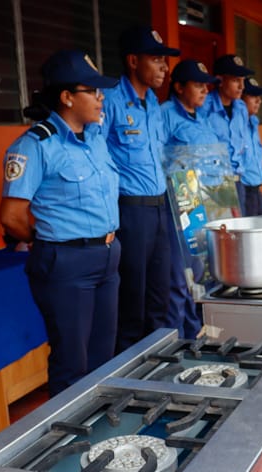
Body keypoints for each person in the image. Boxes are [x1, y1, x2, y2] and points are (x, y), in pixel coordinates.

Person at [0, 50, 121, 396]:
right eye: (92, 91)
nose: (101, 98)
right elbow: (11, 216)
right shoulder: (36, 145)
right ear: (67, 97)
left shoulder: (95, 139)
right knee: (72, 362)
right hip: (67, 263)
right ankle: (68, 429)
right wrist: (47, 240)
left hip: (108, 255)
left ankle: (100, 425)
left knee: (103, 357)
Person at [102, 26, 179, 353]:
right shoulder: (110, 101)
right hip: (130, 211)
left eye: (165, 61)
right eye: (156, 59)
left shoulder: (154, 105)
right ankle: (128, 369)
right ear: (133, 61)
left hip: (160, 208)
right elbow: (97, 156)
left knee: (160, 295)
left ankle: (158, 364)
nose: (164, 67)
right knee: (132, 300)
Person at [161, 59, 221, 339]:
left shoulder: (203, 117)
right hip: (178, 205)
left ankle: (198, 332)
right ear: (179, 87)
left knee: (200, 272)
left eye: (206, 86)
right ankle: (180, 339)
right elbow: (159, 160)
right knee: (179, 277)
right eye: (198, 85)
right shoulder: (164, 115)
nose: (205, 91)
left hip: (204, 203)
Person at [203, 54, 253, 215]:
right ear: (220, 80)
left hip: (238, 181)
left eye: (243, 80)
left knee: (239, 227)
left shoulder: (241, 108)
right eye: (236, 80)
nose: (242, 86)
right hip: (214, 182)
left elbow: (243, 144)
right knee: (219, 228)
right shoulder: (204, 106)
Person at [240, 77, 262, 216]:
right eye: (253, 96)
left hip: (256, 189)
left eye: (259, 97)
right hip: (243, 189)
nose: (259, 101)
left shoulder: (253, 122)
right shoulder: (236, 126)